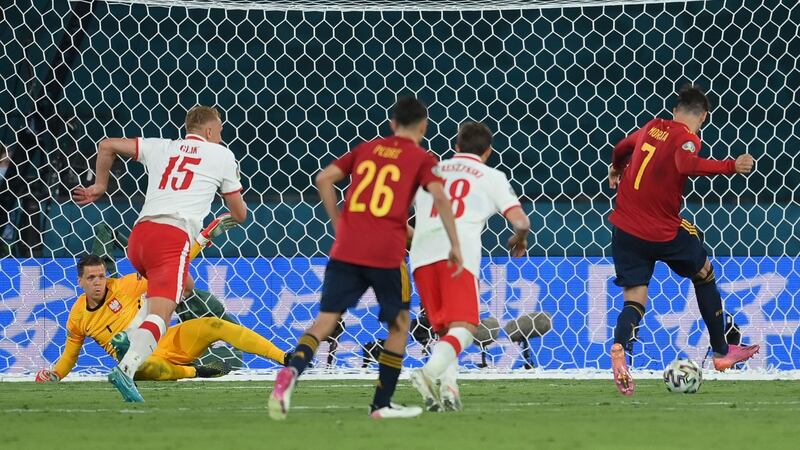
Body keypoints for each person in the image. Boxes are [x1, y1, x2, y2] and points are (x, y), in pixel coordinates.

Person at [268, 96, 463, 420]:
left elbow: (323, 178)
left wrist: (337, 222)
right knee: (400, 324)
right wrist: (455, 244)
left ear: (392, 124)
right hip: (385, 253)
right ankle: (381, 404)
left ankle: (291, 373)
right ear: (424, 127)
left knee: (325, 321)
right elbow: (441, 198)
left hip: (346, 248)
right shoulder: (420, 157)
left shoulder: (367, 148)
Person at [73, 105, 247, 401]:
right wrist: (222, 213)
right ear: (208, 131)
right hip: (172, 235)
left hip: (139, 238)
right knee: (161, 314)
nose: (220, 136)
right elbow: (239, 213)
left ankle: (130, 337)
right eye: (219, 131)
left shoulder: (161, 147)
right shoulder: (222, 155)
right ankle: (126, 369)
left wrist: (100, 185)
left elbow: (107, 145)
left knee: (183, 289)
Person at [607, 84, 760, 396]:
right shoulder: (687, 138)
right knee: (704, 274)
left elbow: (622, 145)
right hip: (662, 231)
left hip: (624, 227)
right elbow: (685, 165)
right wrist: (732, 166)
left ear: (676, 109)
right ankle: (721, 352)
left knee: (635, 297)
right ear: (703, 116)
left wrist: (617, 167)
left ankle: (621, 347)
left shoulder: (652, 127)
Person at [408, 121, 530, 412]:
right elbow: (522, 221)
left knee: (445, 330)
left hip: (421, 258)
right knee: (465, 326)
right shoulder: (491, 176)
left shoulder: (430, 171)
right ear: (487, 152)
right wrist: (519, 239)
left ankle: (450, 390)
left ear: (456, 147)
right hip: (457, 256)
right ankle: (427, 374)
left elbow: (395, 215)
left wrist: (416, 239)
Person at [35, 252, 287, 383]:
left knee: (214, 324)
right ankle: (195, 372)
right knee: (144, 366)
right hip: (138, 361)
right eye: (91, 278)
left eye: (101, 276)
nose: (99, 282)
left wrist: (202, 239)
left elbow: (172, 266)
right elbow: (70, 356)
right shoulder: (78, 317)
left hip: (166, 340)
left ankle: (284, 357)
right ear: (80, 282)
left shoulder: (125, 285)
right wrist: (55, 375)